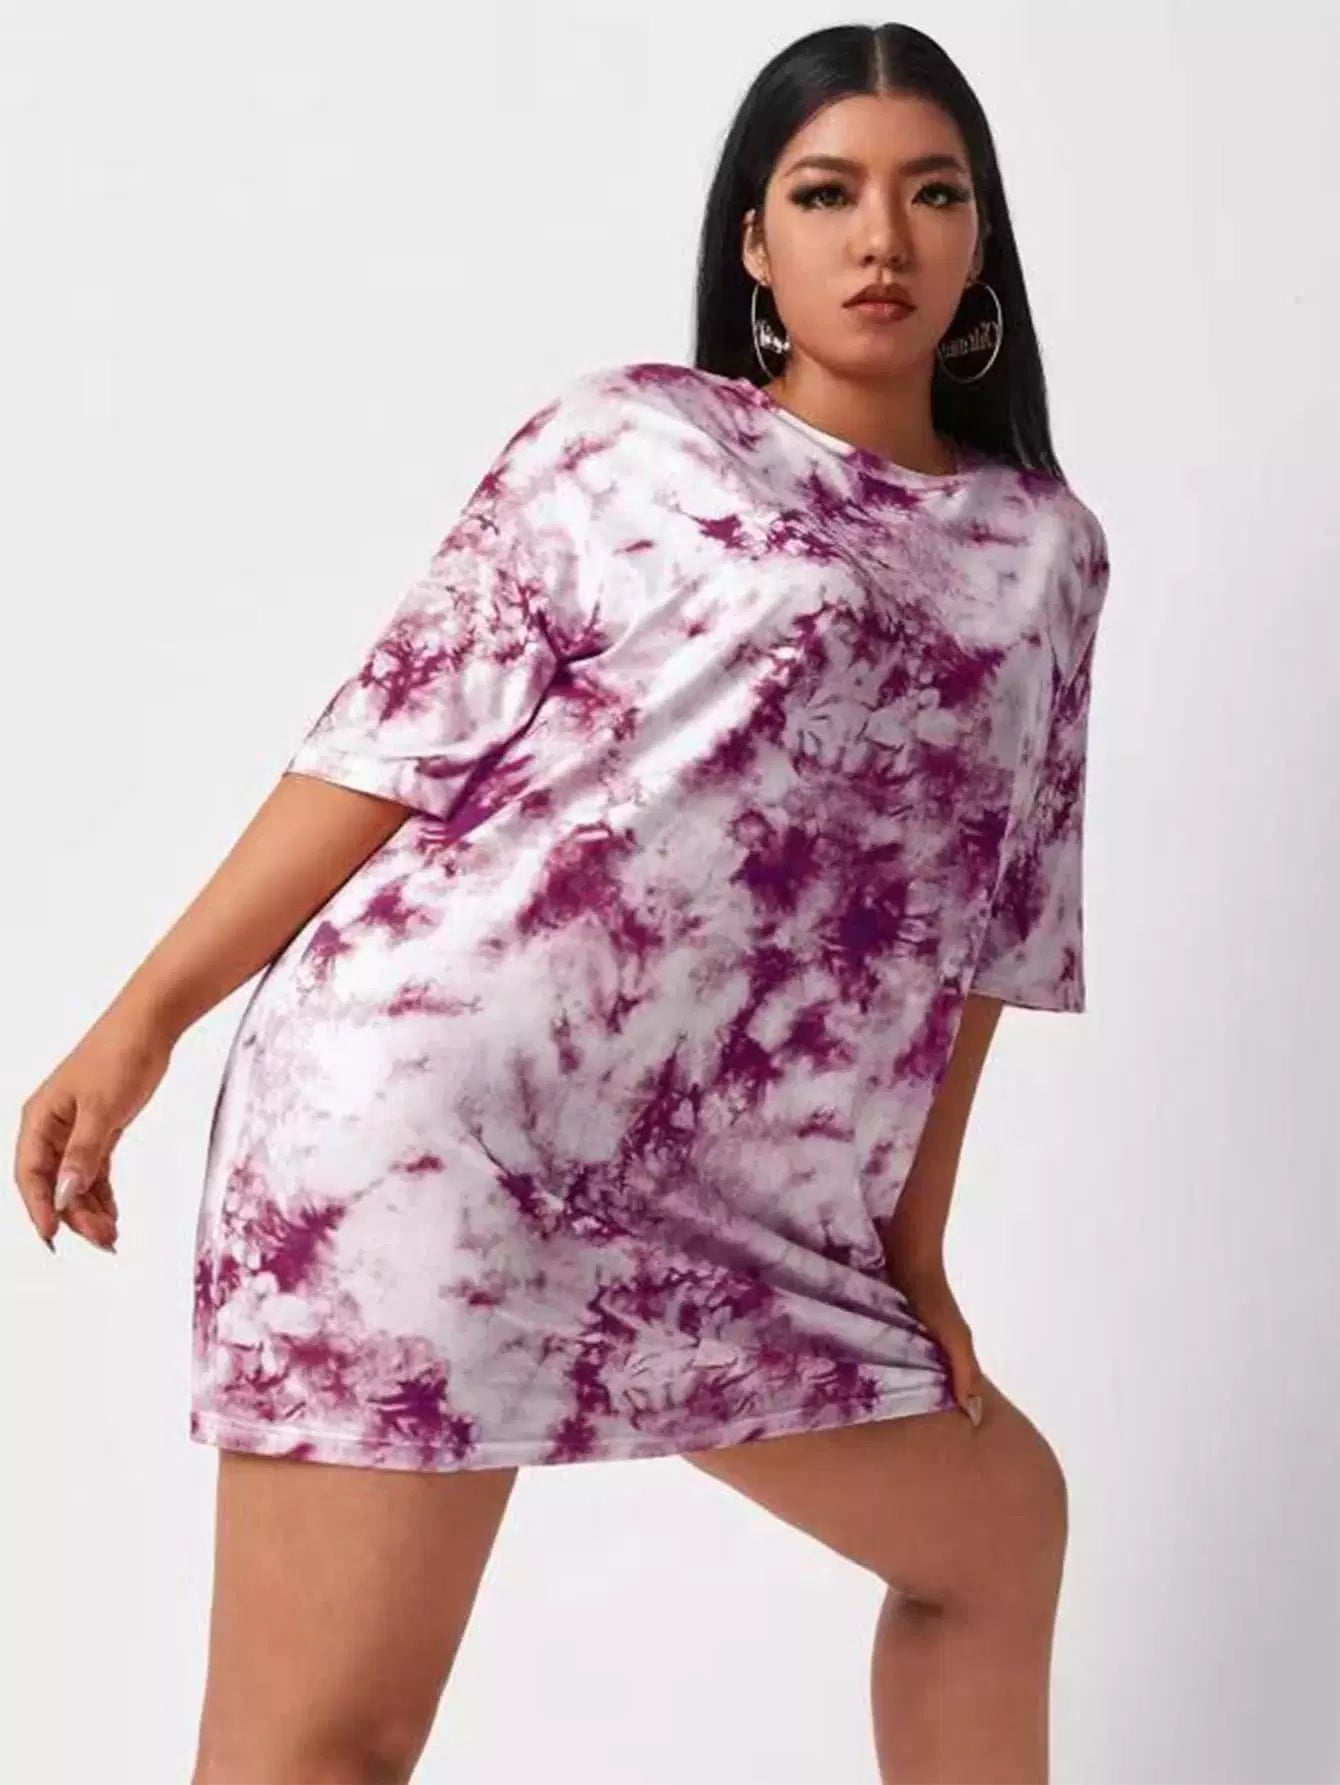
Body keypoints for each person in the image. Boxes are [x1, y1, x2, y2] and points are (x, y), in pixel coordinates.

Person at [13, 20, 1110, 1785]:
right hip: (437, 1117)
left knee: (999, 1530)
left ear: (983, 237)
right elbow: (392, 738)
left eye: (931, 194)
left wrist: (911, 1250)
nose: (879, 239)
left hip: (734, 1200)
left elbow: (991, 919)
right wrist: (143, 1020)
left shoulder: (1043, 549)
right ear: (753, 242)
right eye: (824, 194)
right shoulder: (635, 440)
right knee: (326, 1745)